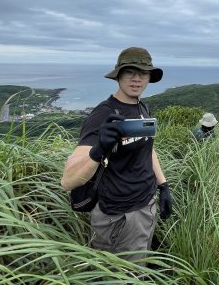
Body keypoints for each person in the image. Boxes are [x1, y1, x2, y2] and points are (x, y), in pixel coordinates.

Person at [60, 47, 173, 262]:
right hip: (120, 215)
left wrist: (163, 185)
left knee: (138, 268)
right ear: (118, 75)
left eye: (143, 72)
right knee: (120, 275)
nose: (137, 78)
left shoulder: (141, 107)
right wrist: (98, 149)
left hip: (146, 205)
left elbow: (148, 148)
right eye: (130, 71)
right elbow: (67, 181)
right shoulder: (103, 114)